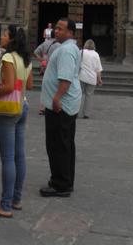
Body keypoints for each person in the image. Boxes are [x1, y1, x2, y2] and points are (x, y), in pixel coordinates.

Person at [0, 24, 33, 218]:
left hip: (9, 110)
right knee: (19, 156)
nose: (2, 36)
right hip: (23, 106)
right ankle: (16, 199)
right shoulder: (25, 59)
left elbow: (10, 86)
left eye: (4, 34)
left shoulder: (8, 57)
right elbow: (29, 84)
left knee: (8, 158)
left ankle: (5, 205)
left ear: (10, 38)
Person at [40, 18, 82, 198]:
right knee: (65, 145)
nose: (56, 31)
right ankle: (65, 180)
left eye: (60, 29)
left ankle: (60, 184)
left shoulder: (65, 50)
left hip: (61, 106)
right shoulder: (70, 48)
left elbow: (65, 79)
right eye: (56, 28)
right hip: (67, 104)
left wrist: (56, 98)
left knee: (57, 145)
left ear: (71, 33)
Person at [34, 35, 61, 114]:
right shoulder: (60, 45)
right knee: (54, 88)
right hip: (55, 69)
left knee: (44, 88)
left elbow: (36, 52)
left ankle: (42, 108)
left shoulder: (45, 43)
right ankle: (51, 106)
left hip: (45, 67)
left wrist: (42, 60)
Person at [79, 39, 102, 119]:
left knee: (79, 95)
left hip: (81, 77)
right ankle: (86, 114)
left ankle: (75, 111)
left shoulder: (81, 52)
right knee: (89, 96)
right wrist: (99, 79)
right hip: (92, 78)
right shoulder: (96, 54)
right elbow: (98, 69)